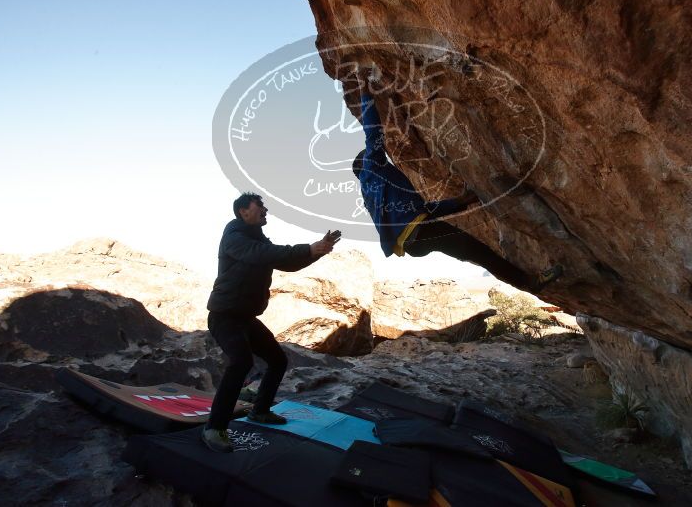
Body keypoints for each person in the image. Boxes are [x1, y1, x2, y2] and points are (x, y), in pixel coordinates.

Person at [353, 84, 562, 293]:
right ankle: (529, 282)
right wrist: (365, 91)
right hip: (420, 231)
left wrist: (459, 203)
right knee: (478, 251)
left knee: (474, 252)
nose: (384, 156)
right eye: (369, 155)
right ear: (364, 163)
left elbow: (419, 210)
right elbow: (372, 132)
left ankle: (526, 281)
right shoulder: (371, 166)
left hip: (414, 239)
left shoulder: (372, 192)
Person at [201, 192, 340, 453]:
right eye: (260, 205)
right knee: (241, 362)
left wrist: (317, 250)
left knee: (278, 360)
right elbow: (261, 254)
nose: (265, 210)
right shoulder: (234, 236)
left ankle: (260, 411)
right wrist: (308, 249)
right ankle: (214, 427)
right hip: (225, 316)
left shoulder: (259, 240)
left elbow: (286, 262)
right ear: (243, 211)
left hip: (245, 317)